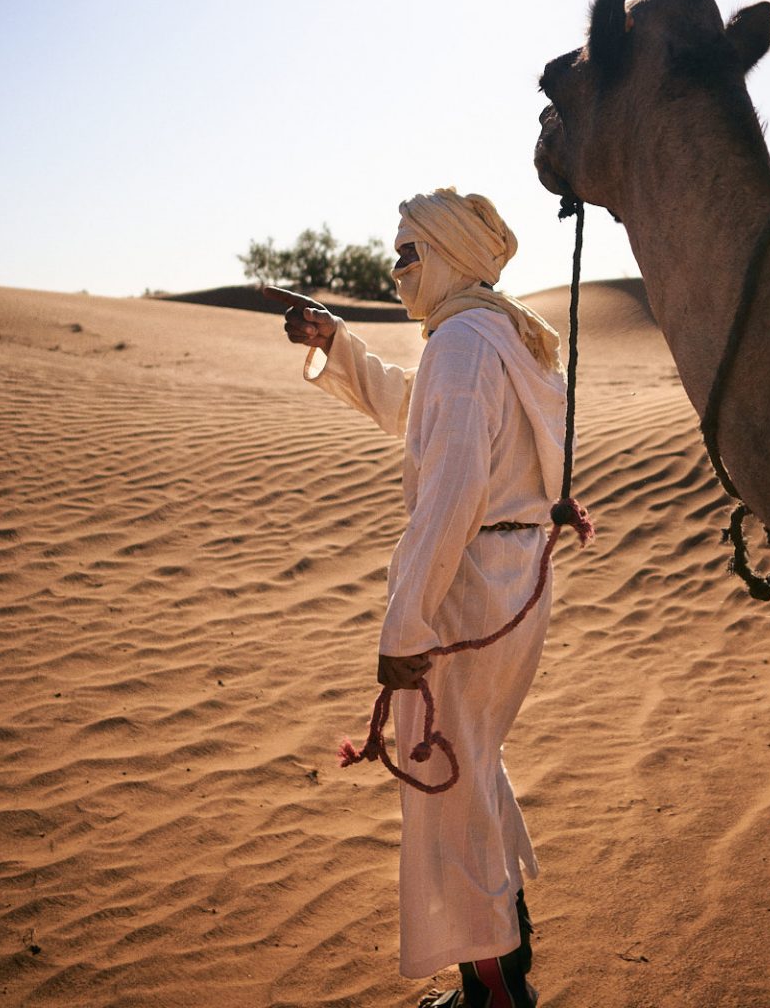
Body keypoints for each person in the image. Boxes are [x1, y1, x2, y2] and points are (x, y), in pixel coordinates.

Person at [272, 188, 565, 1008]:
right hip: (511, 585)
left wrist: (406, 622)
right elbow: (424, 419)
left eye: (408, 252)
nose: (395, 266)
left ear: (445, 256)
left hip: (468, 596)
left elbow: (453, 487)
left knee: (450, 795)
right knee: (472, 773)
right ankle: (504, 958)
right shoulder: (490, 334)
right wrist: (341, 344)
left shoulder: (467, 344)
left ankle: (495, 997)